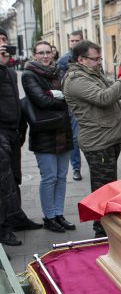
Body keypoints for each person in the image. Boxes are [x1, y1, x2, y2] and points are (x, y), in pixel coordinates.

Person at [63, 40, 121, 237]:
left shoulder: (91, 73)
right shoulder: (76, 80)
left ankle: (106, 227)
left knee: (108, 186)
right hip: (98, 142)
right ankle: (101, 231)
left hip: (107, 138)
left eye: (99, 58)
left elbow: (117, 93)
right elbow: (104, 98)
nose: (98, 62)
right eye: (95, 59)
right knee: (103, 189)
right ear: (81, 59)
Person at [21, 41, 75, 233]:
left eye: (48, 52)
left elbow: (70, 96)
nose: (45, 56)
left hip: (64, 131)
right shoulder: (28, 75)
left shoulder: (60, 72)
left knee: (61, 177)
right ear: (34, 55)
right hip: (44, 133)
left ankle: (59, 215)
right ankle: (49, 217)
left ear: (53, 54)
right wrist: (59, 98)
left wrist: (55, 95)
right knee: (49, 177)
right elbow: (41, 101)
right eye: (40, 53)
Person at [0, 27, 43, 246]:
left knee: (14, 177)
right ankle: (4, 228)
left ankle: (16, 217)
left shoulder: (8, 69)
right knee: (3, 182)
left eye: (4, 40)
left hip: (12, 130)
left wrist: (20, 128)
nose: (3, 45)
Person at [57, 30, 84, 181]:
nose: (74, 43)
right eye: (72, 41)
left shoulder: (88, 57)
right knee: (74, 138)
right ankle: (76, 168)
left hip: (89, 101)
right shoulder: (63, 60)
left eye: (77, 41)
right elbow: (61, 84)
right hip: (72, 104)